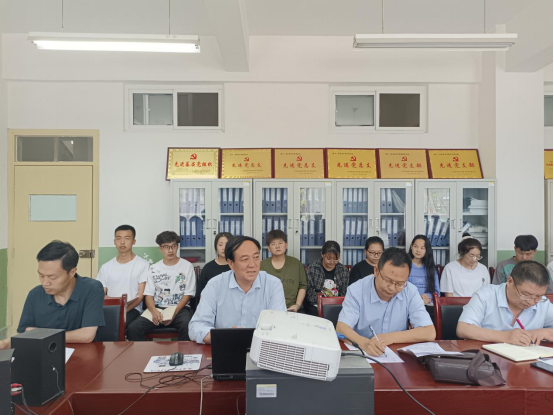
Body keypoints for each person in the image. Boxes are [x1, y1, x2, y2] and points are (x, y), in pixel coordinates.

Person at [0, 241, 105, 350]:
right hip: (46, 356)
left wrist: (41, 333)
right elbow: (26, 335)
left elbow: (87, 335)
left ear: (72, 272)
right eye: (41, 275)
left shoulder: (92, 288)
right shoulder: (35, 294)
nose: (45, 283)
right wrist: (5, 344)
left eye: (52, 277)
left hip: (86, 356)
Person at [336, 248, 436, 357]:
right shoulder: (357, 290)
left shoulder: (410, 291)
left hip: (396, 356)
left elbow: (429, 332)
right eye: (387, 280)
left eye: (399, 283)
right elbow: (341, 328)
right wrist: (365, 343)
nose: (392, 288)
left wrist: (390, 337)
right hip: (363, 355)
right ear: (376, 271)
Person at [189, 236, 287, 344]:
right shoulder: (215, 285)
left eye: (256, 257)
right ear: (231, 263)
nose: (252, 264)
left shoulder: (273, 284)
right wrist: (225, 337)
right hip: (225, 347)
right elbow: (196, 326)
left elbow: (280, 326)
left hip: (262, 348)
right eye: (245, 259)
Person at [457, 261, 553, 346]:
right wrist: (505, 336)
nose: (531, 302)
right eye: (526, 294)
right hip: (487, 357)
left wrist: (545, 332)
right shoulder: (486, 295)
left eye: (538, 296)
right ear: (510, 281)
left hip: (527, 359)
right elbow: (463, 329)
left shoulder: (543, 303)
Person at [127, 231, 196, 342]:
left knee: (187, 325)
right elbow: (148, 295)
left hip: (179, 308)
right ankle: (144, 353)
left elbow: (188, 294)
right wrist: (154, 311)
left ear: (177, 247)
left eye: (173, 246)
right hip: (157, 308)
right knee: (133, 328)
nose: (170, 250)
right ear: (160, 248)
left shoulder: (187, 266)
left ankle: (183, 353)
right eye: (166, 247)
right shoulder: (154, 268)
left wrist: (173, 313)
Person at [97, 225, 149, 329]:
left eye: (127, 238)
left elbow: (140, 297)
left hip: (132, 309)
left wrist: (122, 311)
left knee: (118, 324)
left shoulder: (143, 265)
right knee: (95, 325)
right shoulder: (106, 267)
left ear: (134, 241)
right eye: (118, 238)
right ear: (114, 241)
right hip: (110, 308)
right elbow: (101, 294)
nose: (122, 242)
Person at [260, 230, 307, 313]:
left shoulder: (296, 263)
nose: (277, 246)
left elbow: (302, 286)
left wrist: (297, 305)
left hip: (292, 309)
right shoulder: (262, 265)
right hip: (269, 310)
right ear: (268, 248)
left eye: (280, 243)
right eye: (273, 244)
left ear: (286, 245)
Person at [305, 241, 350, 316]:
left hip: (337, 306)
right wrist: (327, 297)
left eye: (336, 259)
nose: (332, 262)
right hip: (316, 306)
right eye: (328, 259)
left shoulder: (343, 270)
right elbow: (309, 295)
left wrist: (328, 297)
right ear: (322, 254)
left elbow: (344, 294)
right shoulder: (312, 269)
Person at [196, 232, 233, 298]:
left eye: (227, 244)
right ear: (216, 247)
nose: (224, 248)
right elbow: (200, 292)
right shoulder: (208, 268)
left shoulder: (236, 266)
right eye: (220, 245)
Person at [408, 235, 440, 306]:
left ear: (426, 250)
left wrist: (428, 296)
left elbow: (437, 292)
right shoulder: (405, 266)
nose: (418, 250)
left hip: (426, 305)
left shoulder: (431, 269)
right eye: (416, 246)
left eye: (422, 248)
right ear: (411, 247)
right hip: (408, 304)